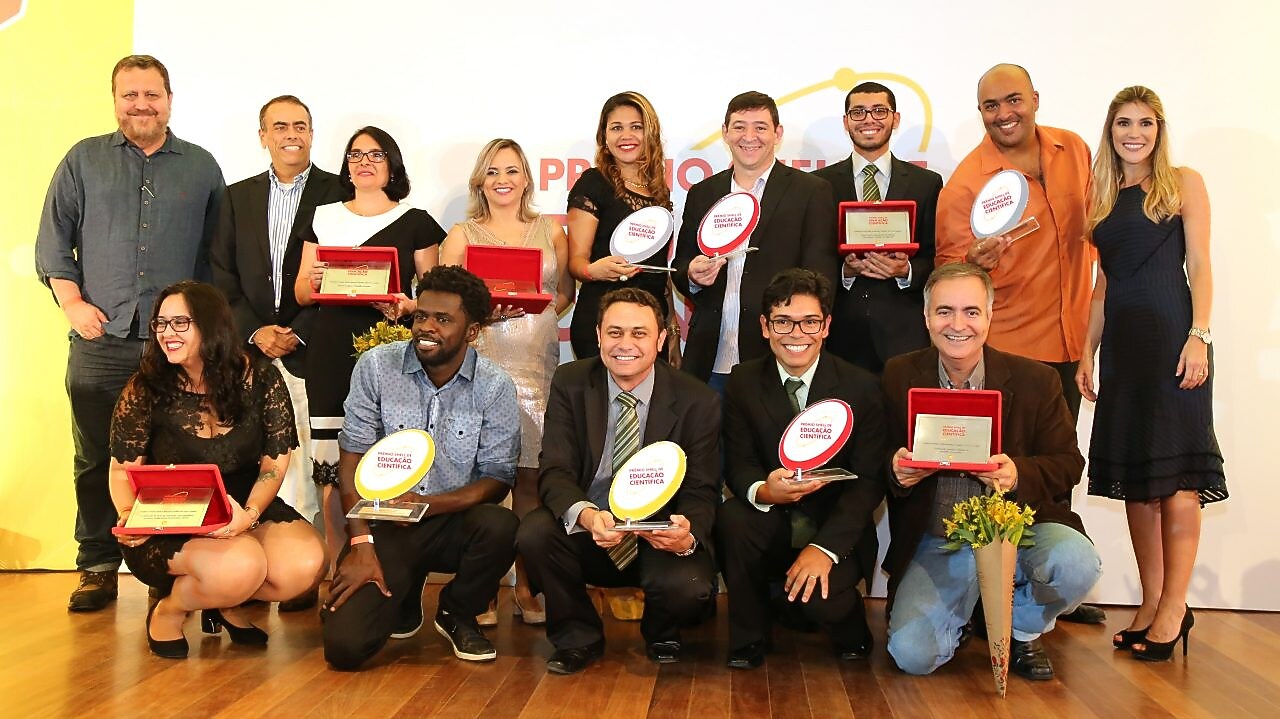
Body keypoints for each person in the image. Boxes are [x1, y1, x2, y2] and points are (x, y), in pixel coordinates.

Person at [35, 54, 225, 612]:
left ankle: (171, 567)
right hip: (101, 341)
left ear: (170, 98)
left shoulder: (201, 166)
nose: (140, 104)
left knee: (177, 455)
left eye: (151, 94)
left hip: (177, 347)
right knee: (97, 456)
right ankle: (97, 565)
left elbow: (216, 258)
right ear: (115, 99)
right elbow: (53, 242)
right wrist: (71, 302)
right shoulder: (82, 161)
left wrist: (205, 335)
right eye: (129, 95)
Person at [935, 64, 1106, 625]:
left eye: (1013, 100)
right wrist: (972, 262)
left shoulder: (1074, 150)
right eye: (990, 106)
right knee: (1000, 476)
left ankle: (1053, 582)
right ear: (979, 112)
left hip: (1070, 341)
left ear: (1035, 98)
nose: (1004, 113)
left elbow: (1097, 229)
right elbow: (949, 275)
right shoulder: (965, 184)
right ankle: (995, 593)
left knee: (1054, 469)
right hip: (1010, 352)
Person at [882, 263, 1102, 680]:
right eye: (944, 311)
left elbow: (1069, 464)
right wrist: (895, 470)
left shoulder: (1036, 380)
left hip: (1019, 531)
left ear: (989, 317)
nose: (957, 324)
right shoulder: (898, 375)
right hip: (938, 540)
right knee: (912, 655)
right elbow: (876, 458)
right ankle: (969, 614)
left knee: (1076, 563)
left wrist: (1018, 473)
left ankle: (1020, 627)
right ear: (926, 317)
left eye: (971, 311)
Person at [1077, 86, 1227, 661]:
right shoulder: (1102, 194)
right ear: (1110, 130)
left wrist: (1201, 333)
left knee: (1178, 482)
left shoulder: (1183, 182)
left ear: (1159, 129)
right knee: (1138, 484)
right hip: (1123, 347)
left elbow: (1201, 263)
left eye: (1144, 123)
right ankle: (1152, 601)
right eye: (1122, 123)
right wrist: (1087, 352)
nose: (1133, 133)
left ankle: (1174, 608)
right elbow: (1102, 285)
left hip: (1173, 340)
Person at [109, 281, 325, 658]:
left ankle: (224, 601)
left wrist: (252, 514)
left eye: (180, 323)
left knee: (306, 565)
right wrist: (128, 515)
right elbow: (120, 470)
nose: (167, 334)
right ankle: (171, 610)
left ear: (211, 326)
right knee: (242, 564)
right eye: (161, 324)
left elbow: (274, 462)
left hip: (241, 506)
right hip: (171, 520)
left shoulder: (261, 378)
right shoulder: (146, 386)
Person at [322, 266, 521, 670]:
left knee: (502, 527)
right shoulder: (376, 367)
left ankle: (457, 611)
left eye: (443, 319)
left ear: (472, 331)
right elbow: (351, 458)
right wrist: (360, 544)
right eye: (421, 316)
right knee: (345, 648)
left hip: (453, 520)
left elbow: (498, 478)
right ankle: (405, 596)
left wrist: (429, 505)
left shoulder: (494, 385)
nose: (426, 327)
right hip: (384, 523)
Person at [517, 288, 721, 674]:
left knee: (690, 588)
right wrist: (589, 516)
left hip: (657, 534)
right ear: (597, 336)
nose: (625, 344)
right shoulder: (571, 381)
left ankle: (663, 630)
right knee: (534, 533)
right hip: (593, 527)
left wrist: (686, 530)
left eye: (639, 333)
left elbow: (702, 487)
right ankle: (578, 638)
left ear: (661, 339)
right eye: (615, 332)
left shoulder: (697, 400)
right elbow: (555, 470)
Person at [210, 96, 345, 608]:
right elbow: (221, 274)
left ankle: (312, 573)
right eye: (280, 126)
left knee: (319, 463)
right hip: (250, 355)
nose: (292, 134)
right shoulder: (235, 197)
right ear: (262, 135)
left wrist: (297, 330)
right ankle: (258, 567)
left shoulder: (340, 192)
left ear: (313, 133)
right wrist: (256, 332)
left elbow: (347, 274)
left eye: (302, 125)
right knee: (258, 462)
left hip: (315, 349)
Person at [717, 268, 887, 669]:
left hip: (834, 529)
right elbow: (738, 464)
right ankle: (749, 638)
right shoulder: (742, 381)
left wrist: (824, 549)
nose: (797, 333)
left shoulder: (860, 386)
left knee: (821, 602)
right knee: (732, 517)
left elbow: (868, 484)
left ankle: (848, 627)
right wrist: (763, 490)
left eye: (810, 322)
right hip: (772, 521)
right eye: (783, 321)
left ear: (826, 326)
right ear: (764, 327)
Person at [440, 138, 573, 624]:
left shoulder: (549, 230)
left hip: (537, 363)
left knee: (533, 480)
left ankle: (527, 589)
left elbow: (564, 293)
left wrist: (531, 313)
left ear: (526, 179)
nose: (503, 180)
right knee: (484, 480)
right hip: (483, 365)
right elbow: (444, 302)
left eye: (512, 171)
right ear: (480, 180)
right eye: (493, 171)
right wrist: (488, 315)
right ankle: (483, 592)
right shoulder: (462, 233)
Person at [294, 126, 443, 519]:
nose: (365, 162)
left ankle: (386, 560)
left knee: (388, 455)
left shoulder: (416, 221)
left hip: (391, 349)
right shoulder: (323, 217)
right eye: (355, 155)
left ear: (392, 165)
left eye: (376, 155)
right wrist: (317, 282)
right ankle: (335, 566)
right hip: (329, 348)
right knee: (330, 459)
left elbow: (433, 298)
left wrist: (406, 306)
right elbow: (300, 292)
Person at [673, 91, 839, 391]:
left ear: (778, 134)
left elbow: (821, 279)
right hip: (710, 359)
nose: (749, 136)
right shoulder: (703, 193)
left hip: (779, 358)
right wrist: (693, 275)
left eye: (760, 127)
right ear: (725, 133)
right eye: (739, 126)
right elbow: (681, 267)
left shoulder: (811, 191)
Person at [813, 81, 943, 374]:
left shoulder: (926, 184)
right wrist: (844, 272)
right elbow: (813, 257)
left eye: (879, 111)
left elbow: (936, 257)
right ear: (846, 122)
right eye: (858, 112)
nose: (869, 119)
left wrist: (905, 271)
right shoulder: (820, 184)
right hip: (840, 335)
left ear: (895, 119)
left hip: (905, 336)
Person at [566, 91, 681, 362]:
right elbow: (576, 263)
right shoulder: (593, 183)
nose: (626, 136)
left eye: (636, 127)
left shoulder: (659, 192)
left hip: (650, 326)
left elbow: (659, 269)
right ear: (604, 137)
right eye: (616, 128)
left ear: (649, 134)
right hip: (603, 322)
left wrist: (672, 327)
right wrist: (594, 270)